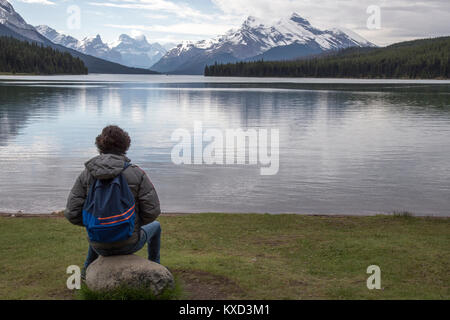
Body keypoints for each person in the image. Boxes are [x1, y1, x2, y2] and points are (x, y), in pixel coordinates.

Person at [64, 125, 161, 278]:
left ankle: (85, 271)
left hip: (98, 245)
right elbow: (152, 211)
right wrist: (127, 224)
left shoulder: (86, 175)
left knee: (99, 224)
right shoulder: (137, 173)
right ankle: (156, 266)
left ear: (100, 146)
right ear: (125, 146)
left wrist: (97, 223)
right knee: (156, 227)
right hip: (129, 243)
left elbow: (72, 213)